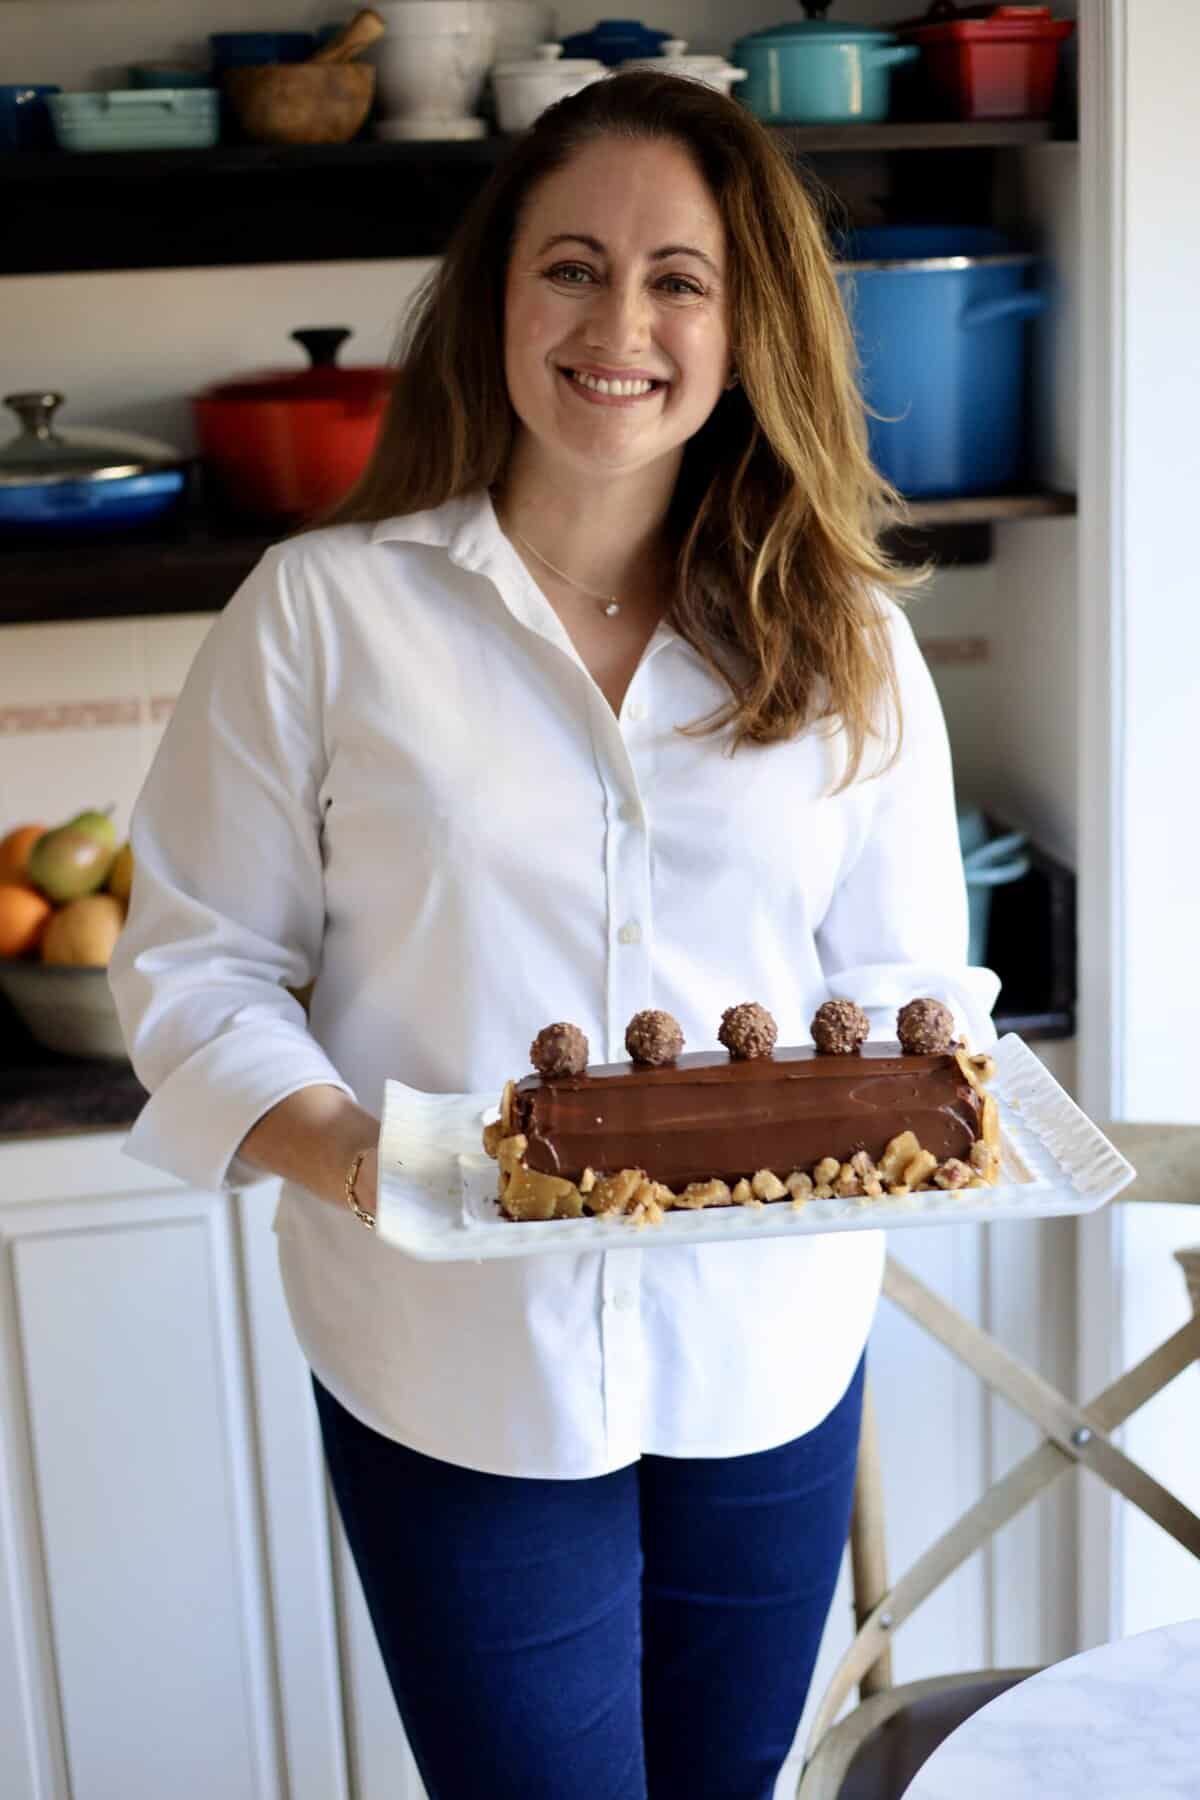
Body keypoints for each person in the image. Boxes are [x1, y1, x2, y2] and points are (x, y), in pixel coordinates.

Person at [109, 70, 998, 1800]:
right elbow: (196, 970)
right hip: (453, 1364)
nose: (620, 325)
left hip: (766, 1356)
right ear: (497, 299)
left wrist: (921, 1111)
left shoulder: (847, 636)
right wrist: (371, 1165)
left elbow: (903, 981)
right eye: (572, 268)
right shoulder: (326, 612)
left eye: (680, 279)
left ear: (748, 329)